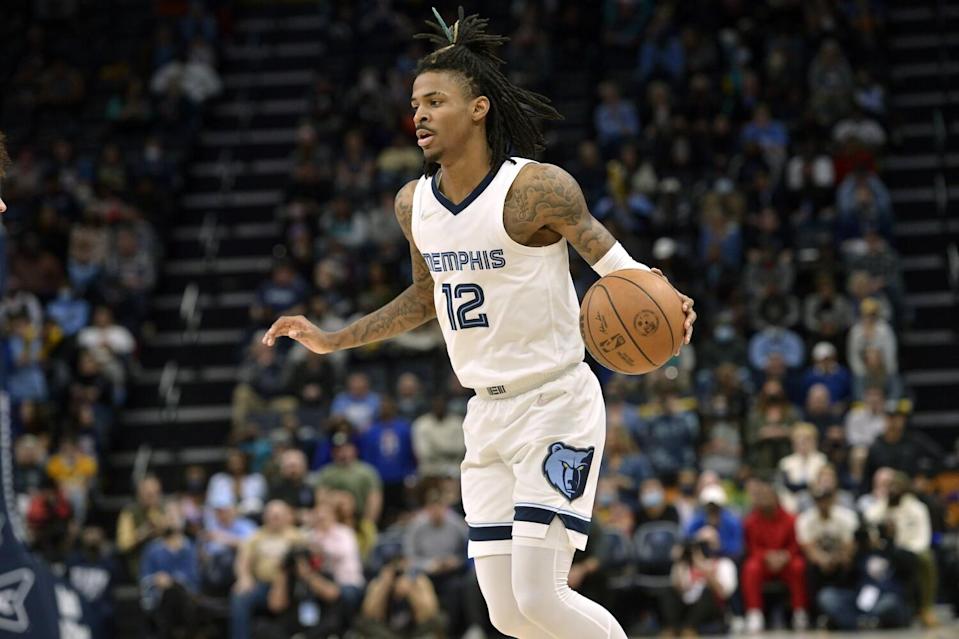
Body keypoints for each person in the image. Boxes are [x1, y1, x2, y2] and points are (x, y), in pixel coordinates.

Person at [262, 10, 696, 638]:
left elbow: (614, 266)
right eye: (415, 103)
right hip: (484, 414)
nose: (420, 114)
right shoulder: (414, 203)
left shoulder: (535, 190)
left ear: (479, 109)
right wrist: (333, 338)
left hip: (555, 401)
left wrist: (667, 296)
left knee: (541, 596)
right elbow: (422, 300)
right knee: (506, 613)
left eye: (436, 101)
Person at [741, 480, 808, 633]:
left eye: (768, 496)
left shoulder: (791, 519)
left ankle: (799, 612)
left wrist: (786, 555)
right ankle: (754, 612)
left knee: (798, 566)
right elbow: (751, 546)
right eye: (761, 496)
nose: (765, 500)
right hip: (763, 562)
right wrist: (766, 556)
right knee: (750, 568)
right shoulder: (750, 521)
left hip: (786, 561)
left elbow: (796, 544)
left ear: (776, 498)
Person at [658, 526, 738, 636]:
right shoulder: (685, 565)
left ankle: (689, 628)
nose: (706, 547)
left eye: (709, 543)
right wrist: (679, 562)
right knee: (669, 592)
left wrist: (704, 568)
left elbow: (723, 593)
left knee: (707, 592)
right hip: (688, 605)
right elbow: (679, 588)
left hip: (712, 608)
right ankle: (673, 628)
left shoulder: (724, 564)